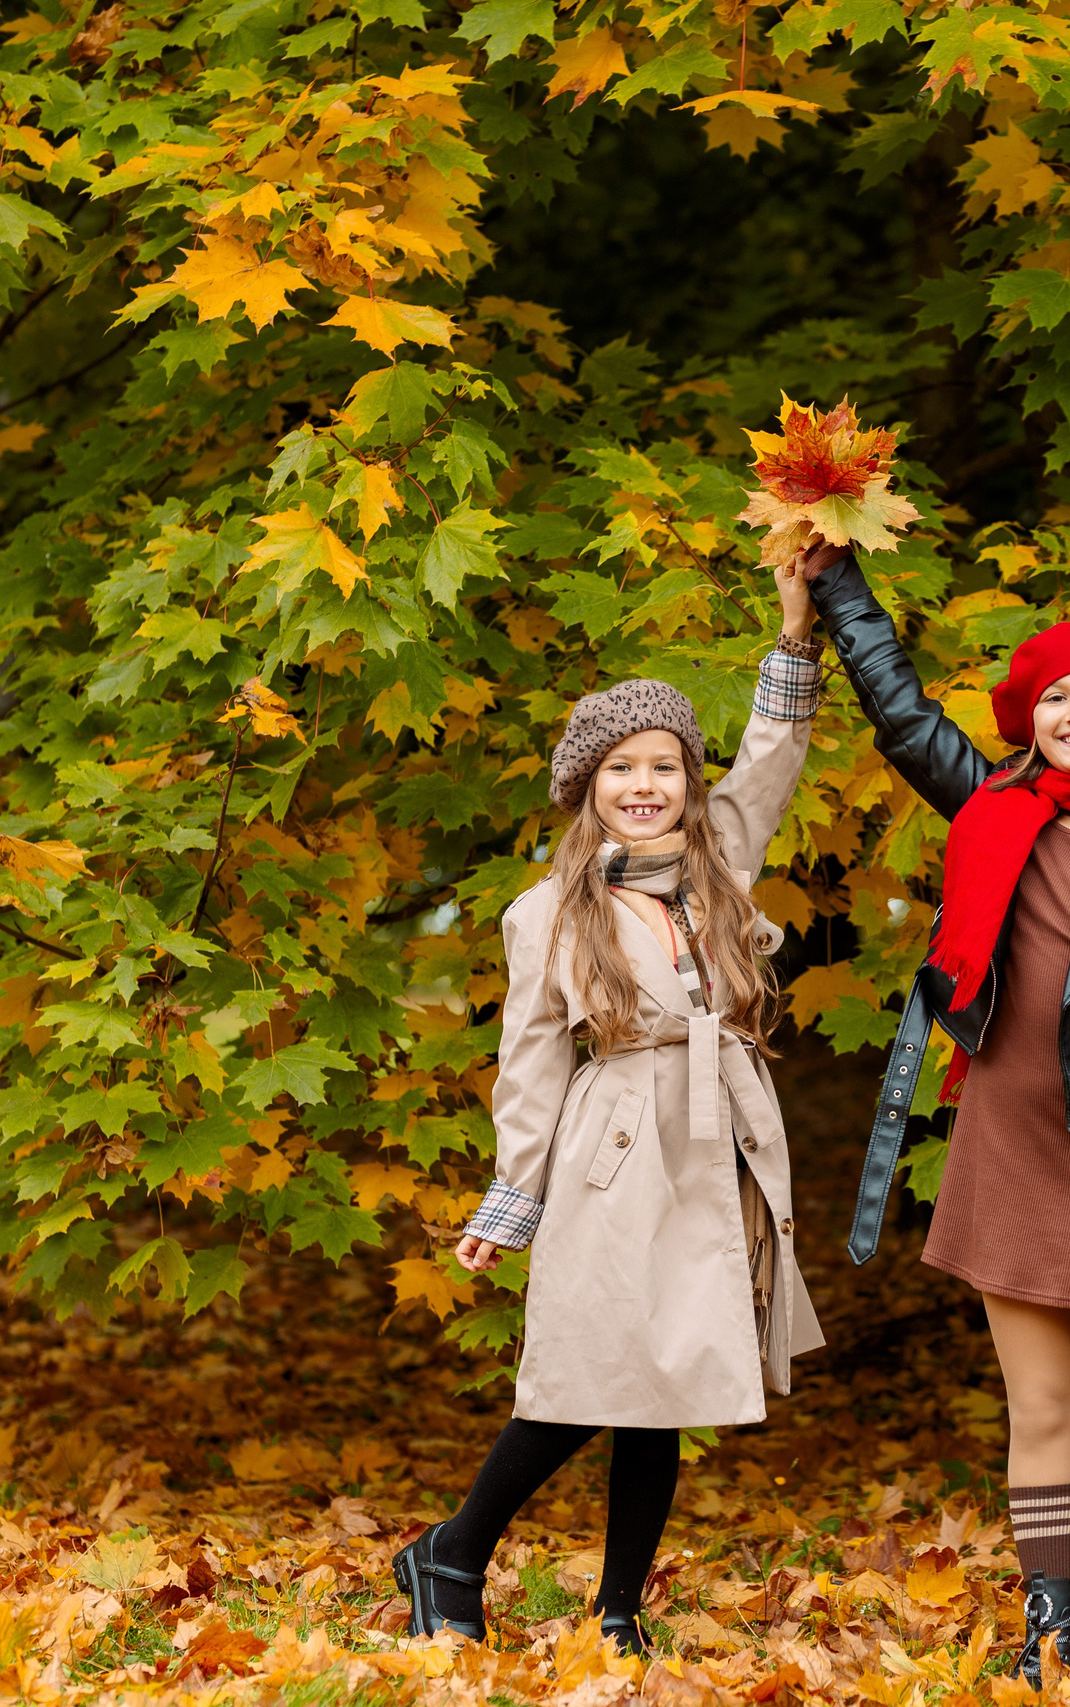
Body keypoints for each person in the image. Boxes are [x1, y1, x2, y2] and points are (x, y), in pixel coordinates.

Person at [798, 542, 1070, 1694]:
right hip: (1007, 1145)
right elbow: (899, 716)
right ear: (1026, 723)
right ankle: (1051, 1619)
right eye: (1054, 695)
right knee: (1038, 1405)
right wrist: (838, 585)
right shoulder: (993, 809)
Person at [390, 560, 828, 1650]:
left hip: (712, 1135)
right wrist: (511, 1195)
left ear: (688, 779)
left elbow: (772, 761)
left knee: (669, 1375)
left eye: (664, 767)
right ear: (586, 787)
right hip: (612, 1142)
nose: (645, 785)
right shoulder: (547, 911)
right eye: (621, 769)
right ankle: (452, 1549)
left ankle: (619, 1609)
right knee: (592, 1366)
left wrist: (794, 637)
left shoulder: (719, 861)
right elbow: (529, 1060)